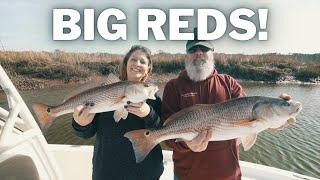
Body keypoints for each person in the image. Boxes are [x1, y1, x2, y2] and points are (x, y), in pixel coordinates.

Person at [161, 29, 246, 180]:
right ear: (186, 55)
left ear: (212, 52)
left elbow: (252, 115)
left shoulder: (229, 83)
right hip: (186, 176)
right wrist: (187, 144)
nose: (198, 53)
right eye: (193, 49)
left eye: (204, 48)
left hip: (228, 175)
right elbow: (167, 136)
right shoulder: (173, 87)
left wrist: (277, 116)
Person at [72, 45, 164, 180]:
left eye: (143, 61)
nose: (137, 64)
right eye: (133, 59)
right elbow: (86, 133)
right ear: (126, 64)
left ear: (148, 71)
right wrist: (81, 124)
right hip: (107, 171)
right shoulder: (103, 92)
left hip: (145, 172)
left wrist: (148, 114)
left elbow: (163, 132)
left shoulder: (154, 99)